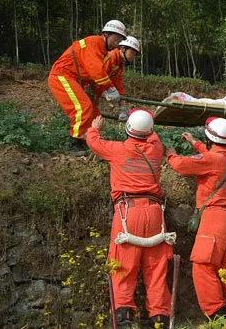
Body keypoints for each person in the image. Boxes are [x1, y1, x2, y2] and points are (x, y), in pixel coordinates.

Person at [86, 110, 173, 328]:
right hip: (155, 214)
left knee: (123, 267)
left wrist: (95, 127)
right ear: (149, 131)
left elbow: (93, 142)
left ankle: (124, 319)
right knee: (157, 270)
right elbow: (153, 135)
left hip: (127, 213)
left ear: (128, 129)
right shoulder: (156, 149)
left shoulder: (118, 150)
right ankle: (159, 319)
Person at [166, 117, 226, 319]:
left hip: (215, 217)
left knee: (202, 265)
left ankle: (217, 313)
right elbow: (210, 156)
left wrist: (171, 155)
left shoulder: (213, 159)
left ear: (210, 138)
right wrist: (195, 143)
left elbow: (182, 166)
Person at [48, 20, 126, 155]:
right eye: (116, 38)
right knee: (83, 107)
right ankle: (74, 143)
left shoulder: (102, 51)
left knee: (96, 115)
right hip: (62, 76)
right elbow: (95, 69)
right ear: (106, 34)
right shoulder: (94, 43)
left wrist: (106, 90)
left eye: (120, 40)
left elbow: (97, 75)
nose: (117, 43)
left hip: (74, 80)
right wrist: (109, 88)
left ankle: (89, 141)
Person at [89, 36, 141, 122]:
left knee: (93, 116)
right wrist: (106, 91)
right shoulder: (111, 56)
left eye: (135, 54)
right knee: (87, 113)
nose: (133, 57)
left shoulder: (120, 65)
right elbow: (96, 75)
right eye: (132, 52)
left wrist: (122, 108)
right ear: (123, 49)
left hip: (95, 94)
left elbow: (118, 85)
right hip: (87, 88)